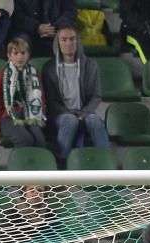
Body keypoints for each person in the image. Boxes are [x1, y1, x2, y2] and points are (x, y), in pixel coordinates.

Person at [42, 26, 110, 165]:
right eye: (64, 39)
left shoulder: (91, 65)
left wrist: (83, 114)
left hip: (83, 112)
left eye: (72, 39)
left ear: (78, 41)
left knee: (95, 122)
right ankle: (62, 164)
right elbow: (51, 100)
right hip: (61, 114)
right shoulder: (49, 68)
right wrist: (70, 114)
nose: (68, 43)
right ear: (58, 43)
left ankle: (107, 163)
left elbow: (96, 96)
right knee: (69, 120)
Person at [0, 38, 47, 148]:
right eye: (15, 53)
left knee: (40, 143)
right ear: (9, 56)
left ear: (28, 55)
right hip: (10, 118)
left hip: (31, 117)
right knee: (26, 140)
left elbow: (41, 99)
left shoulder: (35, 73)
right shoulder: (3, 74)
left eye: (22, 53)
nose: (19, 57)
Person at [11, 0, 78, 54]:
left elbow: (70, 12)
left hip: (57, 31)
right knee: (19, 44)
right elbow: (17, 15)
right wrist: (37, 27)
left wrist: (55, 28)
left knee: (69, 40)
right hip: (28, 32)